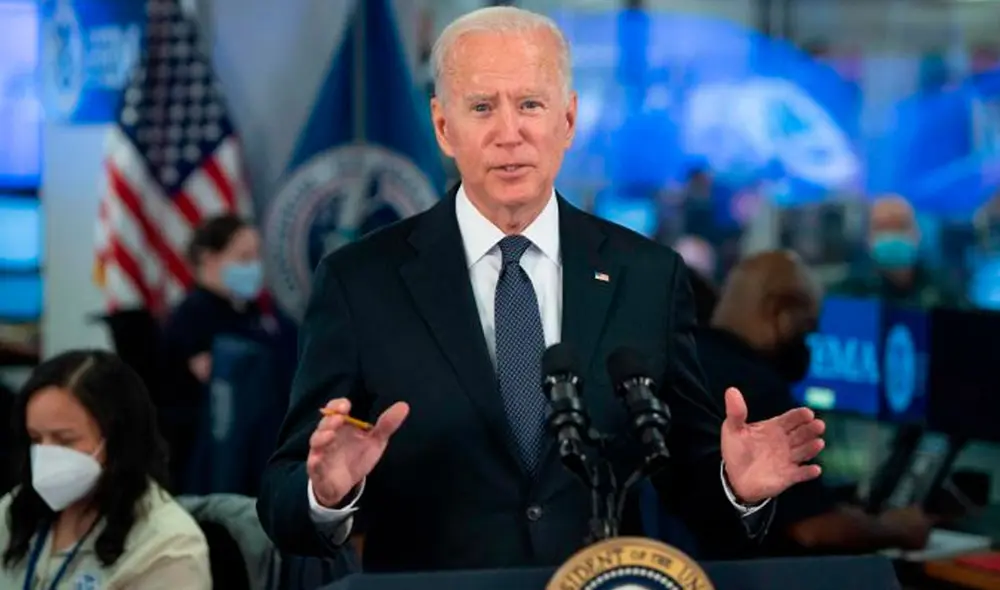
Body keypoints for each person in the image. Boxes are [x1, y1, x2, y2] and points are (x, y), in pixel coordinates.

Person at [257, 6, 825, 571]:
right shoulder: (362, 283)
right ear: (443, 126)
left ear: (569, 120)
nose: (510, 133)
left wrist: (737, 486)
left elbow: (690, 483)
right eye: (482, 107)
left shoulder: (646, 276)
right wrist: (326, 495)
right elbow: (281, 497)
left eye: (530, 104)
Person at [696, 250, 934, 557]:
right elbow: (814, 529)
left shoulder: (690, 361)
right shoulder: (757, 391)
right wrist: (899, 529)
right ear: (778, 310)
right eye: (809, 327)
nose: (810, 341)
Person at [0, 350, 211, 589]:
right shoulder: (16, 510)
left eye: (65, 440)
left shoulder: (166, 547)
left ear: (117, 441)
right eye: (36, 439)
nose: (46, 455)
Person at [162, 214, 297, 492]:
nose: (254, 266)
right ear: (209, 259)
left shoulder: (256, 312)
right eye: (244, 257)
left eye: (256, 256)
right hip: (213, 464)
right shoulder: (191, 317)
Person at [833, 195, 964, 308]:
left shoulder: (944, 290)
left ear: (917, 234)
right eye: (883, 228)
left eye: (900, 226)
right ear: (868, 238)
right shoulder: (847, 293)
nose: (892, 236)